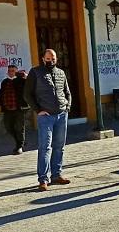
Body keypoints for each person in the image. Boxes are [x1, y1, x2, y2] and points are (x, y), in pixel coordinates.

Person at [24, 49, 71, 191]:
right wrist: (38, 110)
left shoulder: (61, 73)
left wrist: (67, 105)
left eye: (54, 58)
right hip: (46, 116)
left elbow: (67, 91)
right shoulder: (35, 72)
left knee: (59, 146)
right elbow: (27, 94)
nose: (51, 60)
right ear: (43, 59)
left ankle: (56, 175)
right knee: (45, 147)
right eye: (48, 58)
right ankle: (43, 179)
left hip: (62, 115)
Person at [0, 65, 29, 154]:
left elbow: (31, 84)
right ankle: (20, 142)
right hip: (7, 109)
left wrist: (26, 76)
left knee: (19, 128)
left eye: (13, 71)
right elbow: (1, 94)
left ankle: (19, 146)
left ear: (16, 72)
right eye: (9, 71)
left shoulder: (21, 80)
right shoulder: (4, 82)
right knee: (8, 127)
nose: (11, 72)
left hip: (19, 108)